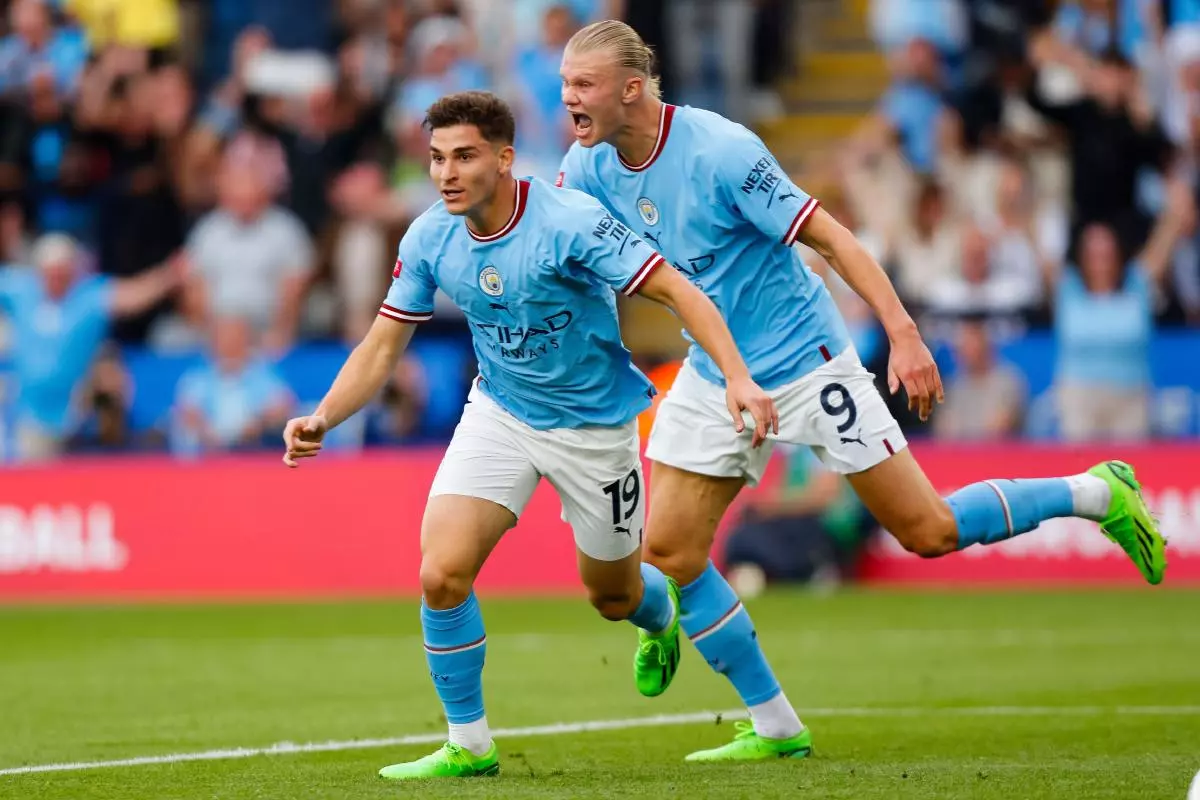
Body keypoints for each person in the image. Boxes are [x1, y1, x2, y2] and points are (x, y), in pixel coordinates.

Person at [557, 19, 1167, 763]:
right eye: (562, 86)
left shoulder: (720, 150)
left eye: (581, 85)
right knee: (672, 552)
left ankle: (1097, 491)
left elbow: (834, 239)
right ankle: (776, 724)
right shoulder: (585, 169)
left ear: (630, 89)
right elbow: (562, 253)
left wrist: (903, 334)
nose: (568, 101)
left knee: (929, 531)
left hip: (808, 363)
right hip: (717, 371)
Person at [279, 90, 777, 781]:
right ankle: (469, 743)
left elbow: (677, 291)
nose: (446, 173)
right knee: (440, 572)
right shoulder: (429, 236)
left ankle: (656, 616)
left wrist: (737, 378)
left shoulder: (572, 222)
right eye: (436, 158)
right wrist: (323, 416)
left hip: (594, 429)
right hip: (501, 413)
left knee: (612, 596)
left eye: (464, 156)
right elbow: (382, 346)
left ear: (505, 158)